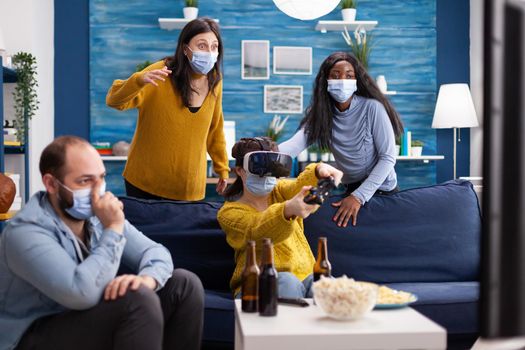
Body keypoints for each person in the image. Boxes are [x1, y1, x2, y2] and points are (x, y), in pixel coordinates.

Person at [0, 136, 204, 350]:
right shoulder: (25, 232)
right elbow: (80, 293)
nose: (98, 191)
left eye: (101, 178)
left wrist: (147, 279)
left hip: (82, 321)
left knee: (184, 285)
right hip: (30, 337)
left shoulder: (96, 216)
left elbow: (155, 253)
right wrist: (113, 229)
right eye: (85, 181)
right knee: (137, 300)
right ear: (51, 183)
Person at [106, 17, 229, 201]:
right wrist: (138, 80)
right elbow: (115, 101)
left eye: (214, 46)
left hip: (189, 188)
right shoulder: (161, 73)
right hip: (144, 183)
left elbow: (215, 129)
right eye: (202, 46)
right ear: (185, 48)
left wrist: (222, 168)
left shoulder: (215, 81)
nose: (209, 53)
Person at [279, 52, 404, 228]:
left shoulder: (373, 108)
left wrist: (358, 197)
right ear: (326, 80)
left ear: (356, 80)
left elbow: (388, 157)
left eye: (349, 75)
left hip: (382, 189)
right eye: (335, 75)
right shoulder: (321, 115)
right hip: (351, 189)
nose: (342, 80)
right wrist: (259, 154)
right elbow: (293, 146)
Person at [217, 137, 343, 299]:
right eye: (259, 168)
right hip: (256, 284)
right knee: (287, 282)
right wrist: (287, 210)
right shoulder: (229, 213)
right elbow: (256, 230)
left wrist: (318, 170)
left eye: (273, 168)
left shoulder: (280, 192)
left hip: (304, 277)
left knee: (327, 284)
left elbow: (298, 185)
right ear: (240, 170)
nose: (267, 175)